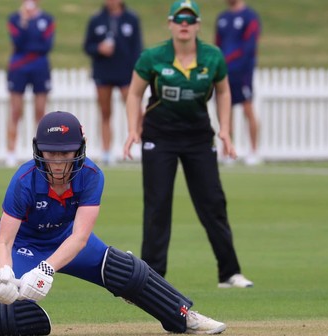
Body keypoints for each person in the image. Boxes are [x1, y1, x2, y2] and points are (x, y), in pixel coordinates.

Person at [0, 111, 227, 336]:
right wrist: (7, 272)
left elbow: (81, 237)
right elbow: (5, 242)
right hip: (22, 246)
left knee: (124, 269)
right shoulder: (24, 180)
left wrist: (47, 270)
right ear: (39, 150)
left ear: (79, 150)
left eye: (65, 153)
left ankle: (183, 317)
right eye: (51, 153)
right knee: (24, 319)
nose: (57, 162)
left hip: (68, 241)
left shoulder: (92, 176)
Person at [122, 0, 254, 289]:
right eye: (179, 19)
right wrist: (134, 129)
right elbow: (134, 94)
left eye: (190, 19)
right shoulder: (152, 57)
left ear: (197, 25)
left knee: (213, 203)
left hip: (197, 135)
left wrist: (226, 131)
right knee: (157, 205)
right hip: (159, 135)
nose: (184, 24)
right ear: (170, 23)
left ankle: (229, 273)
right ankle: (152, 278)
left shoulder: (212, 57)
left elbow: (223, 92)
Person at [83, 0, 144, 166]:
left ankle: (143, 146)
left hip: (126, 72)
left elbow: (138, 48)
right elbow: (87, 46)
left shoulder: (131, 19)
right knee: (105, 112)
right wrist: (99, 49)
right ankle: (106, 151)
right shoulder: (96, 19)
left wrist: (136, 71)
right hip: (104, 72)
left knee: (135, 110)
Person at [5, 0, 55, 167]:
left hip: (40, 66)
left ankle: (42, 151)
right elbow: (18, 41)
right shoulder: (14, 19)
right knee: (15, 111)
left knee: (40, 111)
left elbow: (46, 45)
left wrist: (31, 40)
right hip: (19, 67)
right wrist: (24, 23)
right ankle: (11, 152)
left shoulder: (47, 19)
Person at [216, 0, 261, 165]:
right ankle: (227, 151)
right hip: (224, 73)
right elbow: (217, 44)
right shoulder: (222, 18)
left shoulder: (250, 17)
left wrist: (232, 61)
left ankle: (254, 151)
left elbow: (249, 46)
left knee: (247, 109)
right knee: (226, 112)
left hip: (242, 72)